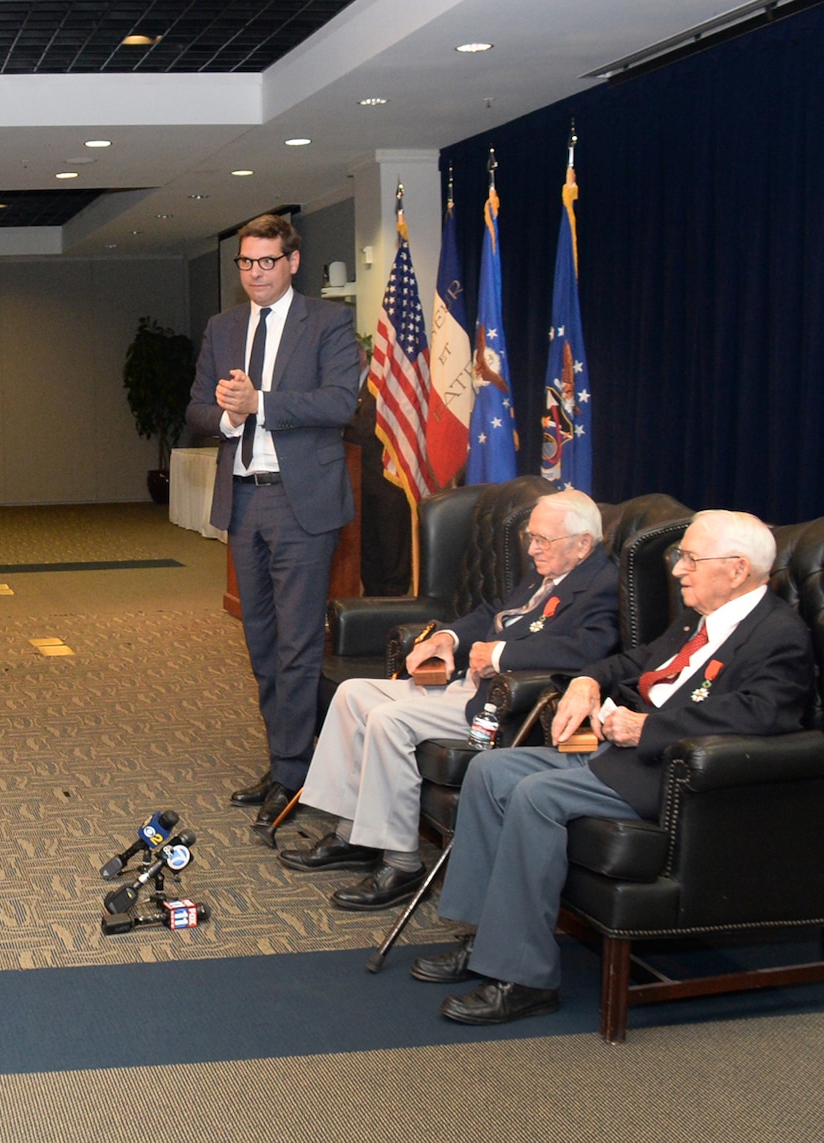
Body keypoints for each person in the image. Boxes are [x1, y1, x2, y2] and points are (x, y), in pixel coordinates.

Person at [418, 509, 815, 1025]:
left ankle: (526, 978)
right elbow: (640, 660)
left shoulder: (777, 633)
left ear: (737, 569)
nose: (677, 571)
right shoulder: (702, 617)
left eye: (690, 559)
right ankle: (485, 941)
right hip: (620, 751)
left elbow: (762, 715)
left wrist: (649, 730)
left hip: (672, 773)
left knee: (537, 795)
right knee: (490, 772)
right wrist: (587, 681)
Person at [282, 491, 621, 910]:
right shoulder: (548, 568)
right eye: (531, 538)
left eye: (542, 540)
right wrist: (449, 637)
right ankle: (353, 835)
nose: (532, 548)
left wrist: (499, 655)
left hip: (505, 702)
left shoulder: (602, 585)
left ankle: (402, 863)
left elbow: (589, 650)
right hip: (468, 682)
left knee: (389, 720)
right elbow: (496, 611)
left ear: (583, 543)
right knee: (354, 694)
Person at [185, 214, 364, 826]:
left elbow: (342, 401)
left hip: (301, 501)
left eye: (266, 262)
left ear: (292, 262)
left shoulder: (330, 322)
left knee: (298, 642)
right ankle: (287, 761)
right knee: (260, 640)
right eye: (245, 263)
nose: (255, 273)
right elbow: (198, 408)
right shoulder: (223, 326)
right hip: (244, 499)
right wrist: (231, 417)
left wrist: (262, 402)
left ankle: (295, 772)